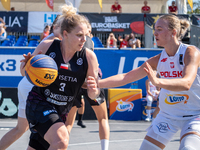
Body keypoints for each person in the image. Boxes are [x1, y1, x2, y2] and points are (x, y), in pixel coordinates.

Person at [98, 14, 200, 150]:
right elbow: (126, 77)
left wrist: (158, 81)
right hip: (168, 116)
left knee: (188, 148)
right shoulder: (157, 60)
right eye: (154, 29)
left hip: (193, 115)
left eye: (159, 29)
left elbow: (186, 83)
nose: (155, 33)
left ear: (173, 32)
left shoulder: (190, 52)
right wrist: (97, 83)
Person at [21, 4, 100, 150]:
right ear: (65, 34)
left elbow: (94, 94)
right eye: (79, 35)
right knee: (62, 140)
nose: (84, 39)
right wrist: (26, 67)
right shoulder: (47, 46)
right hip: (39, 103)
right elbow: (25, 74)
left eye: (86, 35)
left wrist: (93, 89)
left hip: (61, 110)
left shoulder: (89, 57)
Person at [0, 15, 62, 150]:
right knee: (48, 132)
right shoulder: (51, 42)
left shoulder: (56, 41)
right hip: (33, 88)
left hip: (27, 85)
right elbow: (26, 71)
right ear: (55, 27)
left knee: (20, 129)